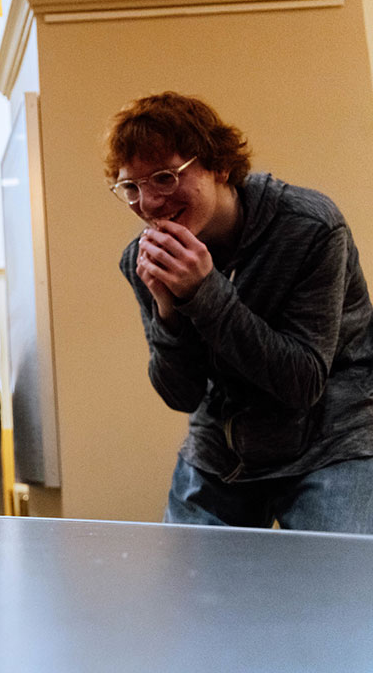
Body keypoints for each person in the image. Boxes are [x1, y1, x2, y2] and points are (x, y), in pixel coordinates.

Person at [105, 92, 373, 532]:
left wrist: (204, 293)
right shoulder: (143, 259)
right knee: (193, 596)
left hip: (332, 442)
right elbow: (182, 395)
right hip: (221, 451)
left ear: (219, 166)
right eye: (131, 187)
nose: (149, 203)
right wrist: (169, 311)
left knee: (332, 593)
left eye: (165, 177)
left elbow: (302, 381)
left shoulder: (311, 228)